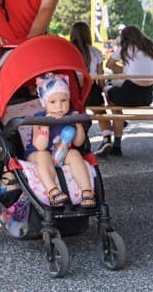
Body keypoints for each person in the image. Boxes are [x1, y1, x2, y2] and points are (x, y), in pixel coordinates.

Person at [27, 73, 96, 208]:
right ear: (44, 103)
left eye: (63, 101)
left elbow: (78, 143)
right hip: (38, 152)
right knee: (43, 154)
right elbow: (40, 146)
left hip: (61, 152)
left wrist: (77, 123)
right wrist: (45, 125)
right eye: (52, 102)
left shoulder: (70, 115)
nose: (59, 106)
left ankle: (86, 191)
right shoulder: (38, 118)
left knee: (75, 154)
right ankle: (52, 190)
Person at [96, 25, 153, 157]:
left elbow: (109, 65)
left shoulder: (126, 48)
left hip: (128, 95)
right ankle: (119, 123)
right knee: (117, 91)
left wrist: (124, 71)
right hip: (147, 97)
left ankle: (117, 139)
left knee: (109, 91)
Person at [69, 21, 104, 108]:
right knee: (102, 116)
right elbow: (101, 81)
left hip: (73, 91)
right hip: (91, 91)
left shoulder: (67, 51)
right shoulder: (96, 52)